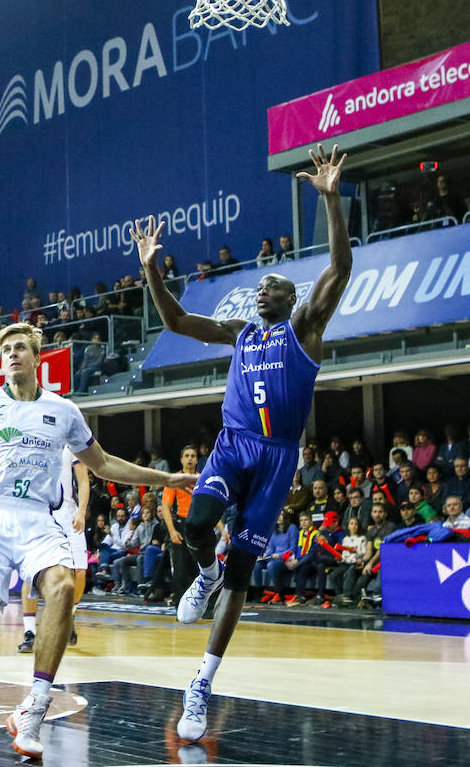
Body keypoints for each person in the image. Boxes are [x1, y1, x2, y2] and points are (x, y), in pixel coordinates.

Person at [0, 322, 196, 759]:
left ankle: (33, 708)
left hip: (38, 517)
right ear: (0, 361)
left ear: (37, 358)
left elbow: (105, 463)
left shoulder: (64, 410)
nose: (12, 354)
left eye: (20, 348)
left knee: (63, 589)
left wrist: (166, 477)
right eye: (6, 350)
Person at [135, 144, 353, 743]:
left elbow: (339, 269)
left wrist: (332, 201)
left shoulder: (305, 327)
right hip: (233, 445)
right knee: (199, 518)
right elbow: (178, 323)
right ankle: (199, 571)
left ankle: (201, 683)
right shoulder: (241, 333)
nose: (263, 292)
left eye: (274, 287)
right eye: (260, 288)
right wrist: (153, 267)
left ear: (292, 298)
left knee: (242, 574)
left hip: (278, 457)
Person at [18, 449, 89, 653]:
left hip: (68, 512)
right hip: (39, 512)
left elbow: (83, 480)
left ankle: (69, 615)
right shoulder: (31, 442)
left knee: (80, 573)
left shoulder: (70, 443)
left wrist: (82, 511)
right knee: (31, 574)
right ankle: (30, 633)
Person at [160, 446, 199, 607]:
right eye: (187, 456)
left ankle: (201, 603)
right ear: (182, 459)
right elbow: (166, 507)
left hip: (200, 526)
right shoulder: (174, 480)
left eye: (193, 456)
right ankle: (182, 603)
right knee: (181, 568)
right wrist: (172, 531)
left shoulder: (202, 478)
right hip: (181, 526)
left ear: (197, 460)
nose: (190, 458)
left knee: (199, 568)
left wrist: (222, 529)